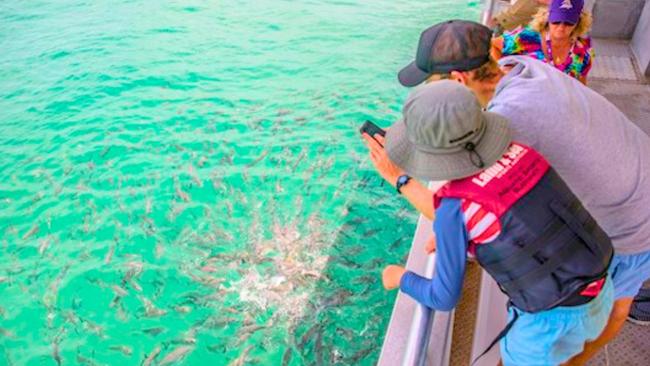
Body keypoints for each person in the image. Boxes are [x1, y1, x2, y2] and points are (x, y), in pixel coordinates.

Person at [397, 19, 650, 365]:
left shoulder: (509, 121)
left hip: (627, 228)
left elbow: (468, 210)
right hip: (643, 181)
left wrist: (400, 179)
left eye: (434, 86)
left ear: (458, 80)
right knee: (613, 311)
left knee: (605, 312)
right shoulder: (524, 67)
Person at [362, 80, 613, 365]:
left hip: (548, 320)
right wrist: (463, 239)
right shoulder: (521, 151)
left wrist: (400, 277)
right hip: (600, 290)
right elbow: (519, 217)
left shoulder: (453, 208)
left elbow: (443, 297)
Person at [491, 0, 593, 84]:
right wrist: (501, 75)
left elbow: (581, 89)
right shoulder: (527, 37)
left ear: (578, 23)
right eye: (556, 21)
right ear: (547, 18)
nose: (561, 27)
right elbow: (493, 45)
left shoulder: (582, 54)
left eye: (568, 23)